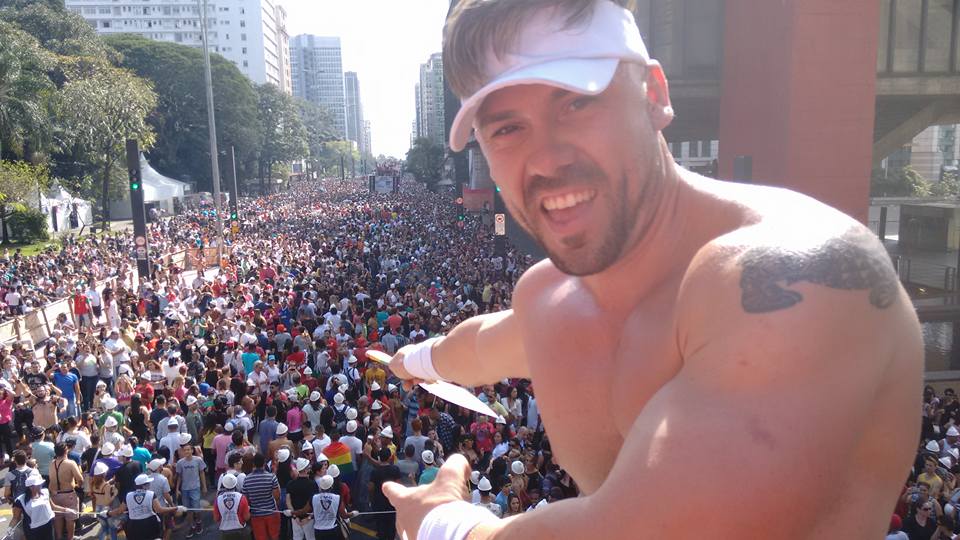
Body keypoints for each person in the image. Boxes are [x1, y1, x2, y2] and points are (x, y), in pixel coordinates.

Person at [381, 1, 923, 538]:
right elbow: (480, 347)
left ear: (655, 95)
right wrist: (413, 361)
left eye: (576, 103)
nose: (545, 158)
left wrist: (442, 522)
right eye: (506, 129)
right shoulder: (546, 296)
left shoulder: (798, 274)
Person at [106, 474, 184, 540]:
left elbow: (120, 510)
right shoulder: (151, 494)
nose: (149, 484)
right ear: (144, 485)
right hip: (149, 524)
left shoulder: (128, 495)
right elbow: (159, 510)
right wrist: (176, 508)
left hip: (133, 526)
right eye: (148, 483)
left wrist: (108, 513)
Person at [13, 473, 78, 540]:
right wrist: (10, 528)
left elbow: (53, 507)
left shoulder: (45, 493)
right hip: (32, 530)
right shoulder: (21, 500)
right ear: (31, 487)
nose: (41, 486)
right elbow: (16, 517)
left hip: (48, 526)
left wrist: (67, 510)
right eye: (38, 485)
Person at [48, 442, 83, 540]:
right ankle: (70, 538)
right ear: (66, 451)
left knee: (58, 517)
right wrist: (78, 486)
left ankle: (59, 537)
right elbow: (80, 479)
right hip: (69, 494)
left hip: (55, 495)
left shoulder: (52, 463)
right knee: (70, 519)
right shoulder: (70, 463)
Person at [242, 453, 281, 540]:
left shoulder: (247, 479)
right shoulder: (271, 477)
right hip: (271, 512)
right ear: (264, 463)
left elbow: (245, 500)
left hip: (256, 514)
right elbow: (277, 496)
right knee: (274, 536)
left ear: (253, 464)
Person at [308, 474, 356, 540]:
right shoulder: (337, 498)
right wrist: (353, 513)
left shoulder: (314, 498)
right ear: (331, 486)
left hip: (318, 531)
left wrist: (294, 513)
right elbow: (344, 515)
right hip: (333, 529)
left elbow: (304, 511)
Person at [175, 442, 207, 538]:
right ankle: (191, 526)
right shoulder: (180, 463)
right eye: (185, 450)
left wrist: (204, 486)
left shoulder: (198, 460)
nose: (187, 451)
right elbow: (179, 476)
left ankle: (198, 522)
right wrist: (177, 489)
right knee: (188, 509)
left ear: (192, 450)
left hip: (195, 488)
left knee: (196, 509)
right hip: (184, 489)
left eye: (188, 450)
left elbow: (202, 473)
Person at [213, 473, 251, 540]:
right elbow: (246, 517)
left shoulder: (218, 499)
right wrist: (248, 510)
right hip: (241, 531)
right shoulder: (242, 497)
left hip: (225, 533)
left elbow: (216, 519)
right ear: (235, 484)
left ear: (224, 485)